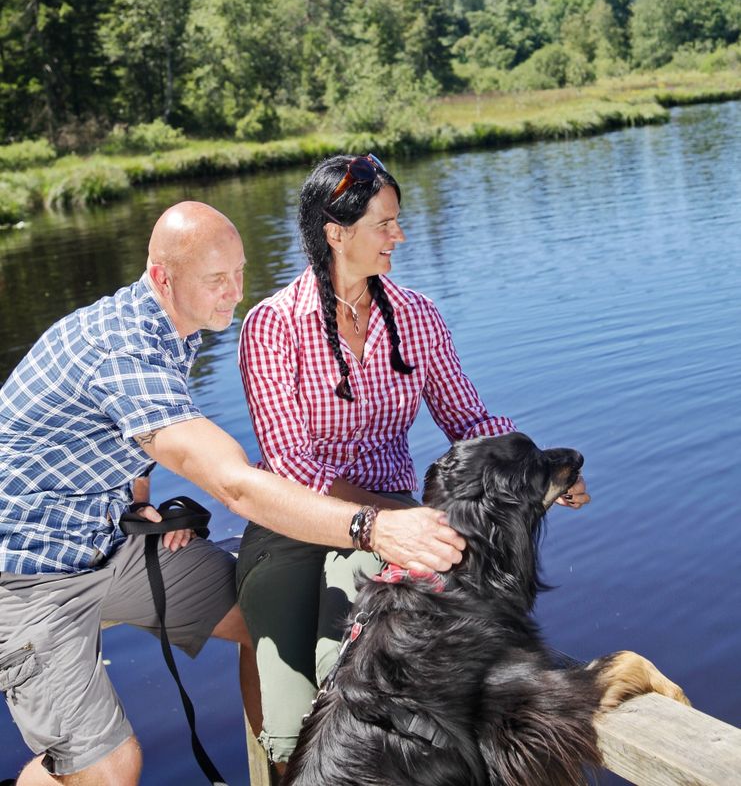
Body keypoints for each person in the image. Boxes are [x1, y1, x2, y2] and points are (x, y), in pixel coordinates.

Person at [0, 200, 464, 786]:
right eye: (218, 280)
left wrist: (138, 502)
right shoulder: (122, 348)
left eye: (241, 273)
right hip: (27, 580)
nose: (236, 293)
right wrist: (375, 526)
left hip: (108, 546)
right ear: (163, 277)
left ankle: (285, 774)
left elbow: (124, 434)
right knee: (110, 769)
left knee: (264, 615)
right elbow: (234, 485)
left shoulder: (172, 326)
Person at [236, 154, 590, 772]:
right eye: (385, 224)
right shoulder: (272, 325)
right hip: (296, 525)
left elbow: (469, 420)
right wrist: (389, 517)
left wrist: (542, 471)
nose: (398, 236)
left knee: (382, 682)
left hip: (397, 524)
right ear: (336, 232)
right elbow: (292, 464)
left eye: (398, 222)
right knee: (300, 724)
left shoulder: (416, 316)